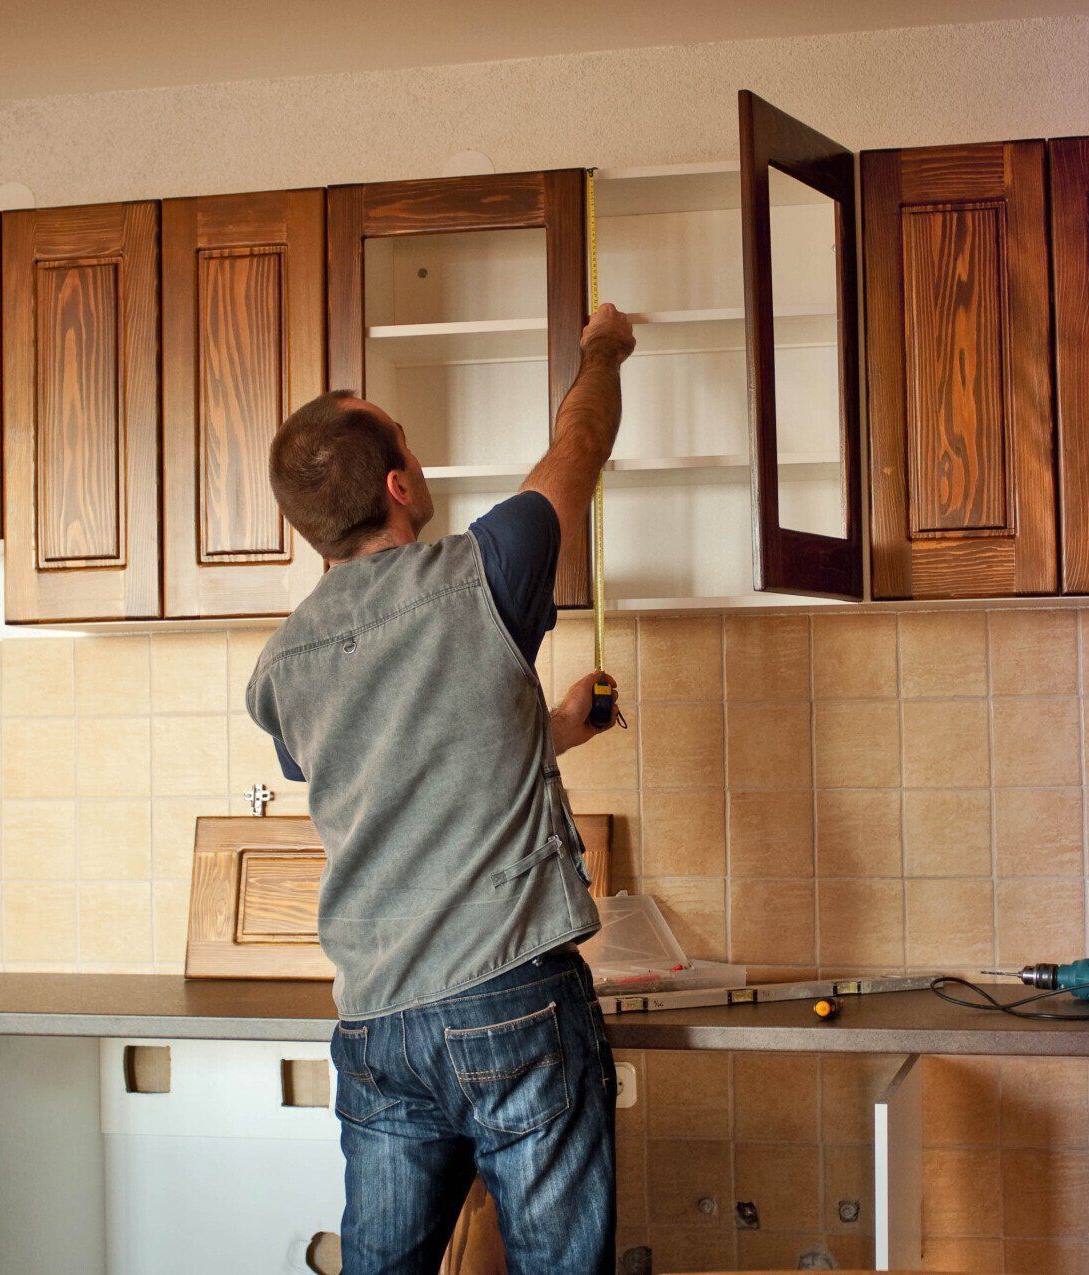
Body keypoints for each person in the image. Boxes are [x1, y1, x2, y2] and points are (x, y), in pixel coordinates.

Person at [247, 303, 638, 1274]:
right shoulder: (488, 570)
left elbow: (397, 766)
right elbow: (579, 443)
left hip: (379, 1024)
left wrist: (549, 733)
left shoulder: (278, 672)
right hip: (512, 996)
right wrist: (604, 350)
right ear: (399, 483)